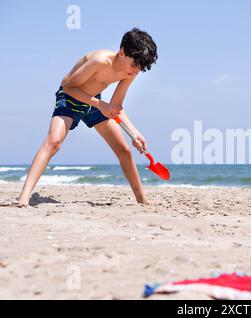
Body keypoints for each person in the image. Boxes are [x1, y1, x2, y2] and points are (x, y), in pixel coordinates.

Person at [17, 28, 157, 206]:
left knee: (124, 150)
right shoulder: (99, 61)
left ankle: (142, 199)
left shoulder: (130, 72)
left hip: (95, 102)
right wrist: (100, 105)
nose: (136, 70)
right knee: (54, 142)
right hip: (70, 98)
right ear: (122, 52)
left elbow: (116, 107)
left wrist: (135, 133)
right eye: (134, 64)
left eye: (140, 67)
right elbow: (69, 87)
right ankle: (24, 197)